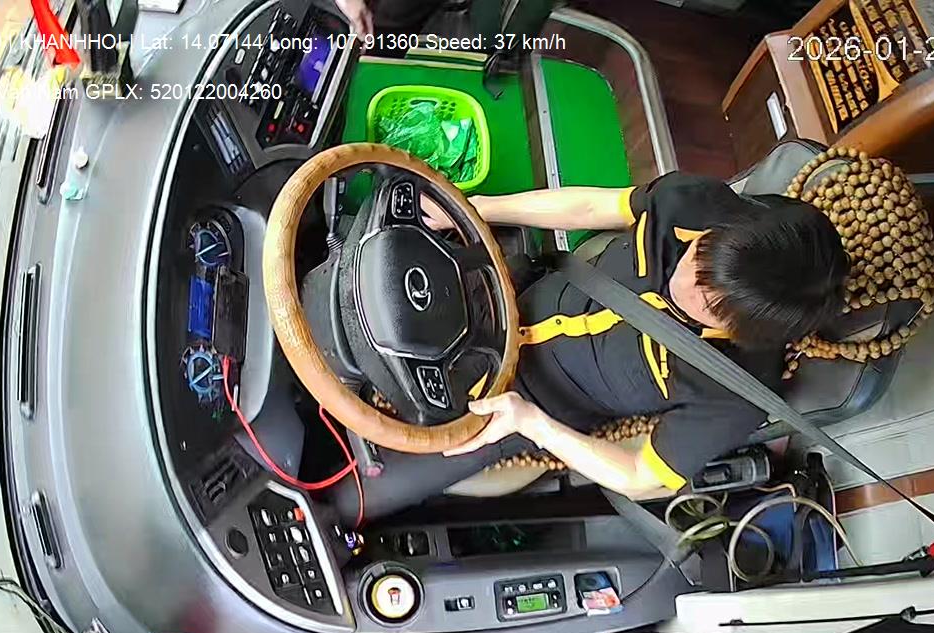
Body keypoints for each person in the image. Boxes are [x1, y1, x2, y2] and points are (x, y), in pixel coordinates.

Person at [331, 173, 848, 522]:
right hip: (501, 295)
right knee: (348, 289)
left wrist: (531, 423)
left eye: (711, 302)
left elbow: (641, 477)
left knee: (352, 498)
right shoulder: (698, 203)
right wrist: (473, 209)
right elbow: (593, 207)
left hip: (515, 406)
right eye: (700, 257)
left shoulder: (736, 392)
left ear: (748, 334)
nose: (684, 282)